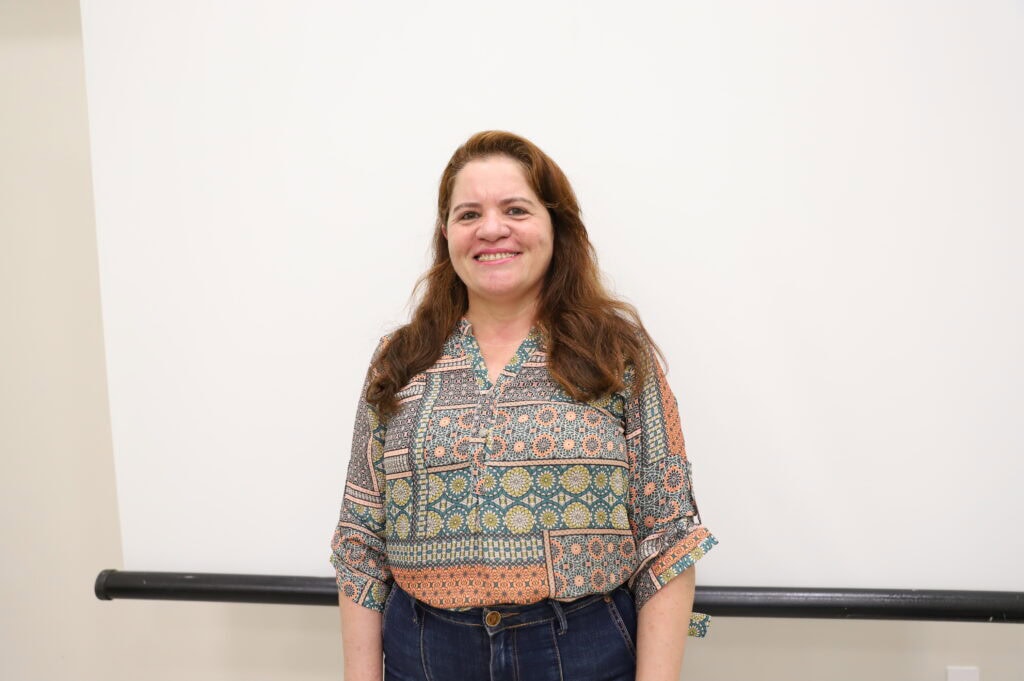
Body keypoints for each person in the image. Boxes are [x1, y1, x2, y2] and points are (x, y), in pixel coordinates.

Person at [331, 131, 717, 681]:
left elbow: (668, 538)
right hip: (424, 652)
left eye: (515, 209)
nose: (492, 229)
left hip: (583, 650)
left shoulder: (615, 354)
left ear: (555, 226)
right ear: (446, 235)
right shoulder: (401, 361)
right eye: (469, 214)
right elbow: (359, 544)